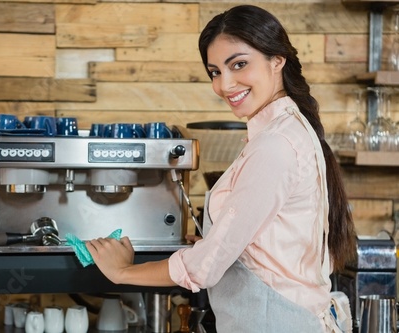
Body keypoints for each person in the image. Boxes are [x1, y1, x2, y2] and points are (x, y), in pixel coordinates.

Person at [85, 5, 356, 332]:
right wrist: (216, 236)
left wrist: (122, 272)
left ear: (277, 60)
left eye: (239, 64)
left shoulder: (275, 144)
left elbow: (205, 268)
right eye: (215, 72)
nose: (225, 85)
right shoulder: (288, 130)